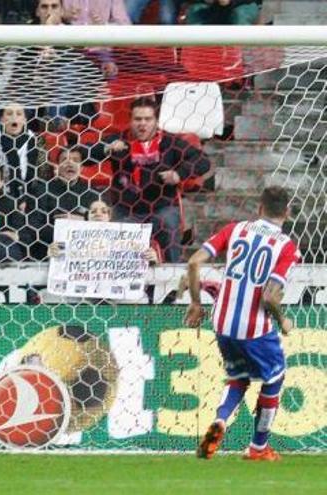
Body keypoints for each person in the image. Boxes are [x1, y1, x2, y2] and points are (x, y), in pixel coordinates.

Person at [184, 186, 300, 462]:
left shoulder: (235, 229)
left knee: (238, 378)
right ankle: (258, 447)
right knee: (275, 376)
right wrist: (282, 318)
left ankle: (221, 420)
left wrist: (196, 302)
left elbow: (193, 262)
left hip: (222, 322)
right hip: (253, 327)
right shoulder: (285, 246)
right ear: (287, 213)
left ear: (259, 208)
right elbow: (270, 295)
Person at [99, 97, 211, 262]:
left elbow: (203, 161)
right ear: (130, 121)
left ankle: (172, 276)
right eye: (137, 119)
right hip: (126, 210)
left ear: (156, 121)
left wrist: (178, 174)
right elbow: (86, 154)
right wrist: (105, 149)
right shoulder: (119, 141)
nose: (142, 123)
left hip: (162, 208)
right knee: (116, 234)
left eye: (147, 119)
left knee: (168, 224)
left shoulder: (169, 143)